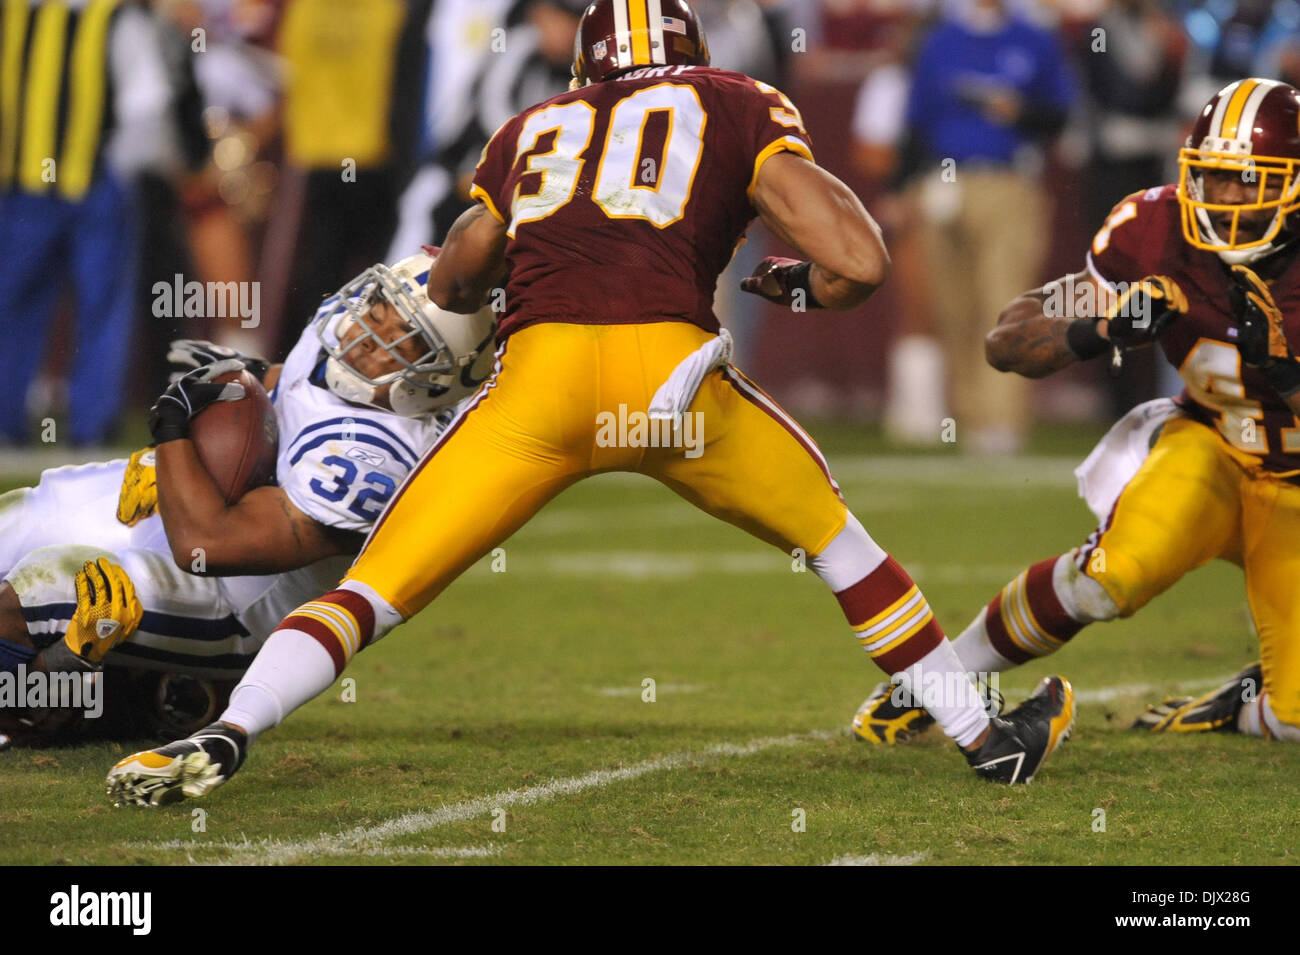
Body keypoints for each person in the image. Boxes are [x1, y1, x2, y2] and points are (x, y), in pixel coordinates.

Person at [107, 0, 1076, 807]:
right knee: (838, 543)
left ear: (583, 68)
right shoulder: (736, 102)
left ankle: (231, 731)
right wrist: (794, 288)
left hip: (543, 383)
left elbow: (456, 275)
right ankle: (983, 735)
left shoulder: (533, 129)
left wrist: (452, 335)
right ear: (692, 54)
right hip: (672, 383)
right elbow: (859, 261)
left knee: (371, 593)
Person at [852, 77, 1300, 746]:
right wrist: (1102, 331)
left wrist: (1286, 373)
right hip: (1211, 448)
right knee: (1108, 577)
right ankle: (934, 681)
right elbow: (1007, 339)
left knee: (1292, 720)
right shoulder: (1152, 228)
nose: (1227, 199)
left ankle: (1236, 703)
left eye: (1249, 180)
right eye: (1215, 178)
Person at [0, 252, 492, 747]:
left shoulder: (373, 459)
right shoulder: (345, 337)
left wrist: (174, 431)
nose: (363, 327)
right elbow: (289, 386)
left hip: (229, 602)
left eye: (398, 333)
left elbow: (207, 546)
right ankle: (110, 690)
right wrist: (241, 378)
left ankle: (35, 702)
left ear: (433, 378)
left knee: (42, 586)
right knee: (17, 518)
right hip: (198, 516)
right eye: (379, 304)